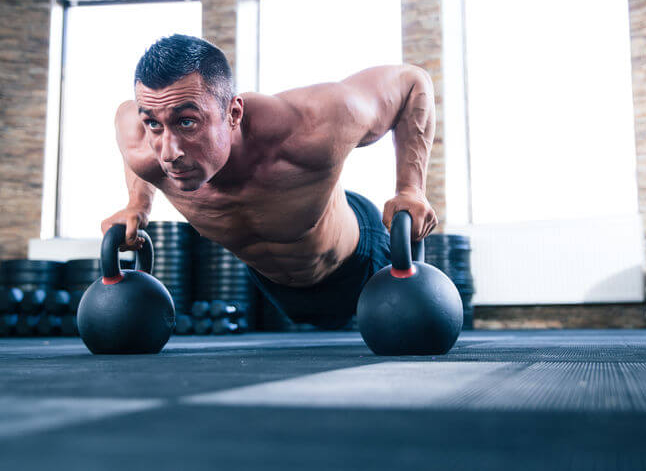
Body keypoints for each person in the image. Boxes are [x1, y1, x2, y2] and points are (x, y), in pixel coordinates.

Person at [102, 34, 437, 329]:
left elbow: (412, 83)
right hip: (274, 289)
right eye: (154, 125)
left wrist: (411, 189)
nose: (168, 152)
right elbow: (133, 136)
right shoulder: (139, 140)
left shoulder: (313, 125)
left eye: (187, 122)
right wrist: (137, 205)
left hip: (361, 264)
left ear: (233, 114)